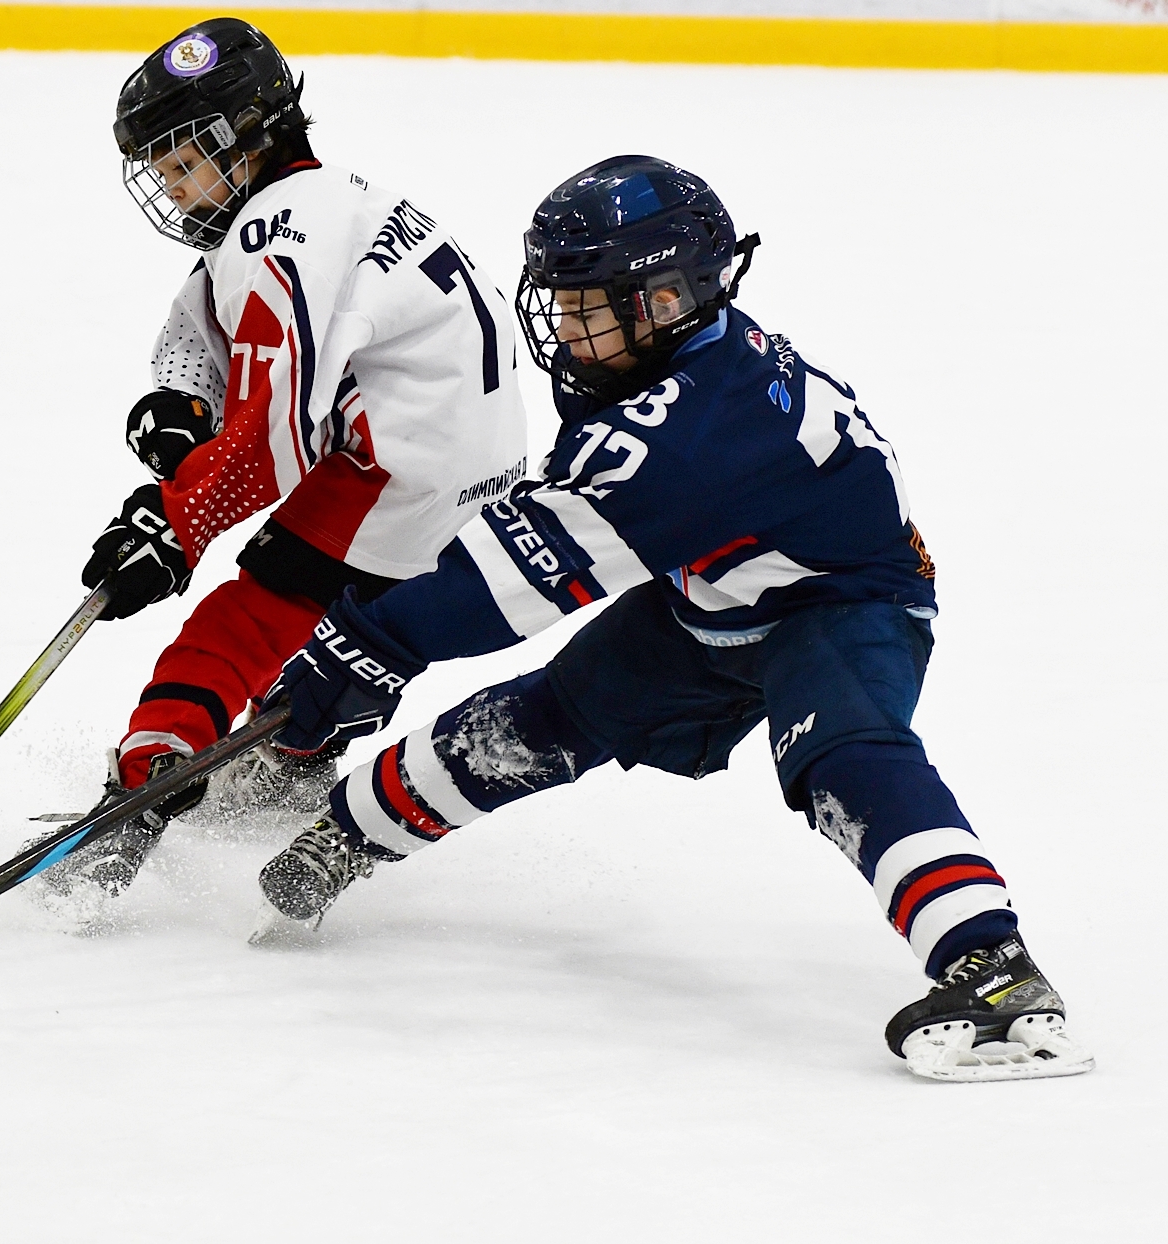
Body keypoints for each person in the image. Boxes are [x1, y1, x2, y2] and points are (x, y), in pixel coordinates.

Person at [253, 155, 1093, 1082]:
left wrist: (367, 642)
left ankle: (994, 970)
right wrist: (370, 640)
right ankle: (339, 841)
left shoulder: (688, 436)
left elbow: (513, 578)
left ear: (660, 299)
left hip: (841, 601)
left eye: (586, 305)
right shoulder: (671, 370)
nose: (564, 329)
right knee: (537, 720)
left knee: (842, 757)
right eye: (560, 302)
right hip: (713, 594)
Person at [42, 18, 527, 911]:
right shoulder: (326, 200)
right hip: (479, 468)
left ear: (245, 134)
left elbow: (276, 430)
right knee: (353, 627)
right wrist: (185, 419)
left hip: (400, 471)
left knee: (246, 619)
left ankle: (145, 784)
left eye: (183, 164)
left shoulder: (273, 230)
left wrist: (172, 523)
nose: (174, 192)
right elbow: (212, 338)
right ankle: (302, 753)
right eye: (161, 174)